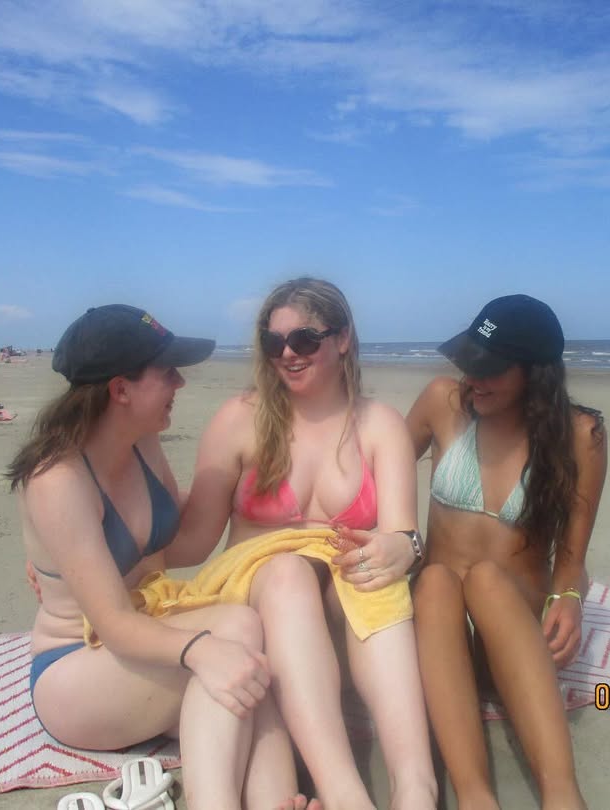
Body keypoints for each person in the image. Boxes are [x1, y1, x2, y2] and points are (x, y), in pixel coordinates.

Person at [10, 305, 315, 810]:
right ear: (120, 389)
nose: (180, 382)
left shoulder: (142, 442)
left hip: (142, 639)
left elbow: (182, 545)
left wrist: (252, 482)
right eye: (167, 370)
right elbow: (112, 624)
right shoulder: (58, 480)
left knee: (245, 673)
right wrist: (198, 650)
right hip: (75, 668)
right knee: (233, 643)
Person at [178, 278, 437, 810]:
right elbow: (194, 540)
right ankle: (345, 795)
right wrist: (100, 562)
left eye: (303, 339)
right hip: (262, 609)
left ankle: (416, 788)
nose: (288, 354)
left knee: (372, 570)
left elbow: (402, 533)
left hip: (344, 620)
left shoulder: (379, 425)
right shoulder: (240, 419)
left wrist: (402, 547)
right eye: (274, 343)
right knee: (287, 571)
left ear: (342, 339)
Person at [405, 294, 607, 810]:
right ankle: (476, 797)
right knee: (436, 579)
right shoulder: (443, 402)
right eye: (469, 363)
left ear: (535, 373)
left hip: (514, 629)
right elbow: (376, 480)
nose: (474, 379)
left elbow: (573, 557)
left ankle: (562, 795)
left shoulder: (579, 436)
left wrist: (569, 598)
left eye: (491, 369)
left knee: (486, 579)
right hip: (440, 628)